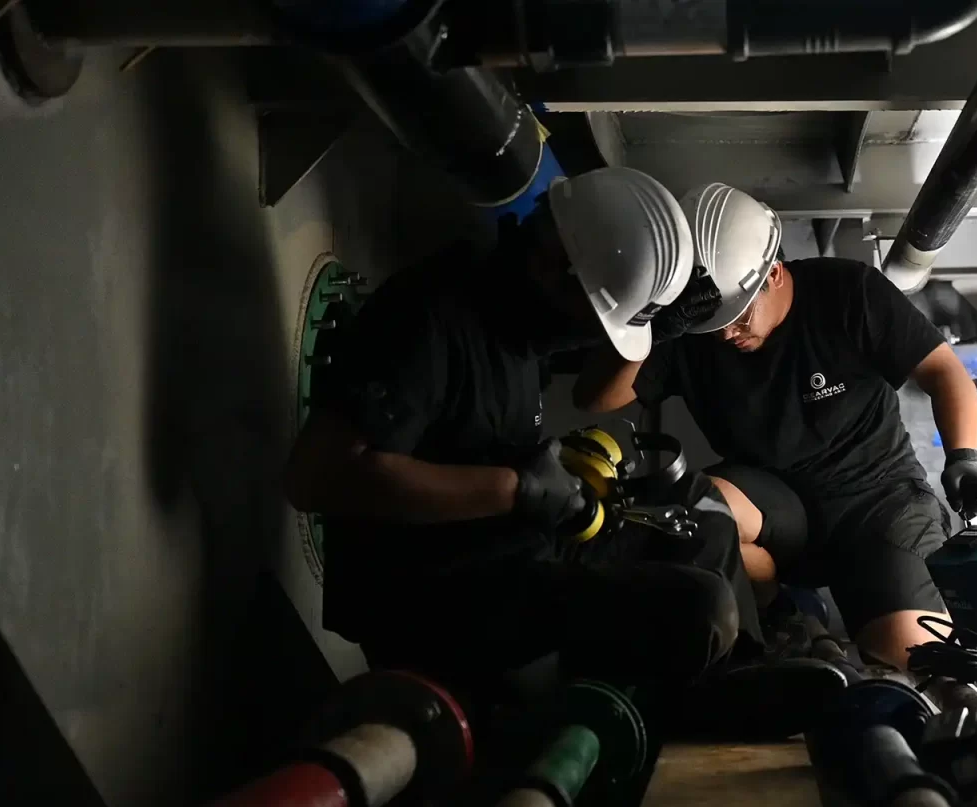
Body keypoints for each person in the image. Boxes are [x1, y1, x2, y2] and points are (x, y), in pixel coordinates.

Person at [284, 168, 769, 706]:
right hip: (435, 592)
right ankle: (684, 711)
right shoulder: (429, 317)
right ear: (558, 269)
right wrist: (515, 489)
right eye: (594, 323)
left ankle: (735, 675)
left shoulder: (519, 317)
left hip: (509, 548)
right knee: (697, 609)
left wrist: (655, 329)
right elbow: (316, 478)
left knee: (705, 516)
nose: (588, 339)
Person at [575, 182, 977, 669]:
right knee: (699, 505)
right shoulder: (688, 327)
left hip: (878, 501)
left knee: (915, 655)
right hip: (779, 505)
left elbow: (944, 372)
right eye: (714, 325)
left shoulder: (846, 292)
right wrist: (651, 327)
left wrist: (965, 458)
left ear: (772, 273)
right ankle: (784, 614)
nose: (727, 334)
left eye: (738, 317)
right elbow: (593, 399)